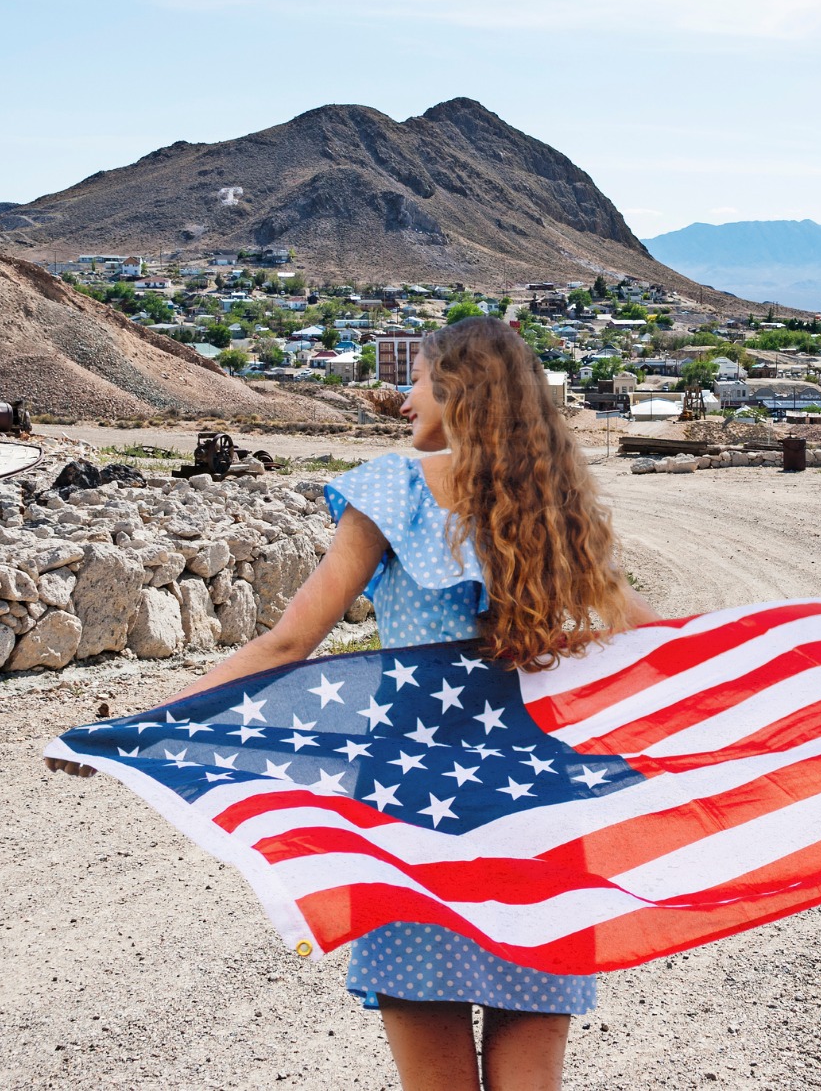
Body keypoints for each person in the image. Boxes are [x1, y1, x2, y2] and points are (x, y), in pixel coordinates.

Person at [47, 316, 660, 1091]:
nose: (405, 399)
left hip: (416, 809)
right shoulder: (557, 511)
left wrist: (141, 730)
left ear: (453, 387)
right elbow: (665, 645)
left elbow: (283, 647)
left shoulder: (393, 490)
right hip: (537, 809)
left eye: (417, 378)